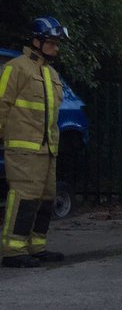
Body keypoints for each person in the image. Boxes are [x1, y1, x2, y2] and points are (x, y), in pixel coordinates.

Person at [0, 16, 70, 268]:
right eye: (51, 43)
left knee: (46, 198)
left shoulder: (51, 74)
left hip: (47, 149)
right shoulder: (16, 68)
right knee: (24, 197)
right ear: (36, 41)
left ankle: (36, 246)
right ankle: (13, 250)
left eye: (56, 43)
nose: (55, 48)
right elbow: (2, 104)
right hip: (23, 148)